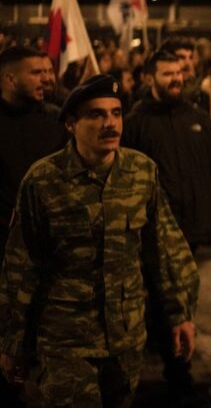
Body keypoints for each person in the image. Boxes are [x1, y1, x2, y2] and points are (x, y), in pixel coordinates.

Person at [0, 75, 198, 407]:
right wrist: (12, 342)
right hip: (67, 341)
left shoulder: (141, 172)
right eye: (96, 114)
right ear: (70, 124)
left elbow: (165, 248)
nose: (110, 123)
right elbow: (21, 266)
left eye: (116, 113)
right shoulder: (43, 180)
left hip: (126, 337)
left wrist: (181, 314)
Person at [122, 51, 211, 401]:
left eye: (179, 72)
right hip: (153, 232)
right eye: (167, 73)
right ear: (149, 78)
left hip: (194, 227)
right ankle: (174, 370)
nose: (176, 79)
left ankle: (177, 355)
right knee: (162, 297)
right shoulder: (135, 123)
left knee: (184, 294)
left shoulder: (199, 119)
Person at [0, 46, 68, 406]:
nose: (48, 78)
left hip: (48, 251)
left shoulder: (57, 123)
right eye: (37, 73)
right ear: (10, 79)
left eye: (49, 71)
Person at [160, 37, 211, 112]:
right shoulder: (160, 94)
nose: (188, 63)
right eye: (181, 57)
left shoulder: (201, 96)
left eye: (190, 57)